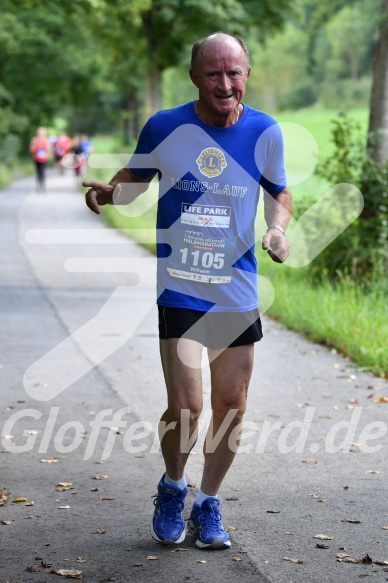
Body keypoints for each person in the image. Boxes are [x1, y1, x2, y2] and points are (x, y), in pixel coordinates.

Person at [84, 33, 291, 550]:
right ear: (195, 76)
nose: (225, 83)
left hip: (236, 289)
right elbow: (136, 176)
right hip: (180, 285)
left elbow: (279, 189)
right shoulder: (166, 125)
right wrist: (112, 193)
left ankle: (209, 502)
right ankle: (173, 486)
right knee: (188, 408)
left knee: (232, 404)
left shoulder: (265, 131)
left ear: (247, 73)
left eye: (234, 72)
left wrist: (278, 228)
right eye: (214, 73)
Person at [29, 126, 50, 192]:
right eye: (40, 132)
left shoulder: (46, 140)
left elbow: (48, 150)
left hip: (44, 159)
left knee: (43, 171)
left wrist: (47, 154)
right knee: (38, 171)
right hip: (37, 158)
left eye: (42, 132)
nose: (41, 133)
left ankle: (43, 185)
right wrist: (36, 148)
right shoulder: (35, 140)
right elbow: (31, 149)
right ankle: (38, 184)